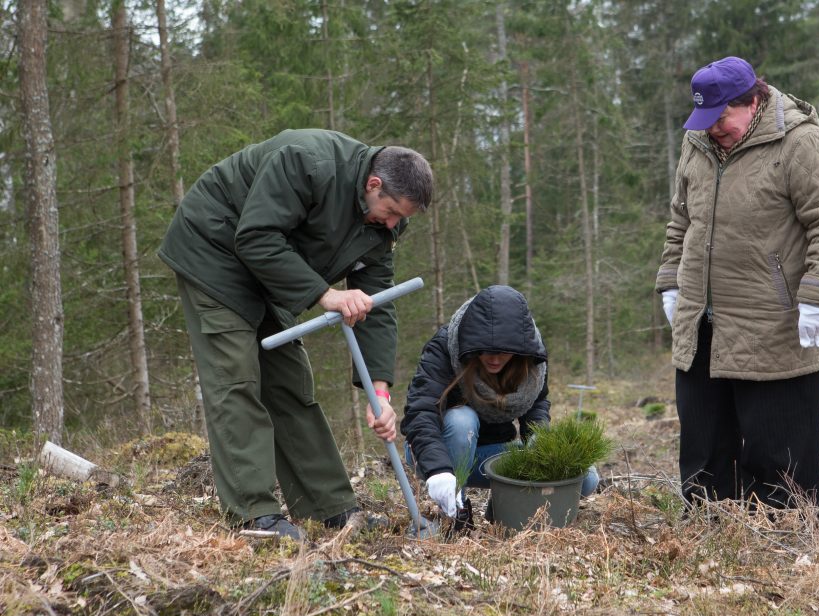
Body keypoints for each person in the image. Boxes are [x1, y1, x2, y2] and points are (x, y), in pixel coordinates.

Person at [159, 129, 433, 540]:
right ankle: (255, 514)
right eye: (391, 212)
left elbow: (378, 301)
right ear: (373, 184)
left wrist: (379, 394)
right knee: (237, 377)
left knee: (291, 384)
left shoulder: (384, 224)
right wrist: (326, 295)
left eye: (401, 219)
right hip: (214, 251)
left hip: (273, 273)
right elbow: (255, 236)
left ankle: (331, 509)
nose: (393, 224)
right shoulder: (307, 161)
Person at [655, 56, 819, 509]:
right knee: (704, 456)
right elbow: (680, 219)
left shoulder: (798, 141)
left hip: (773, 322)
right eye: (705, 119)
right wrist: (671, 279)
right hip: (702, 323)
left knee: (779, 459)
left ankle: (783, 545)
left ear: (753, 101)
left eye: (721, 118)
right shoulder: (696, 142)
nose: (712, 129)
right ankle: (713, 541)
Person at [401, 285, 599, 526]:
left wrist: (537, 443)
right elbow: (420, 411)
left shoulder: (532, 356)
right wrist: (438, 469)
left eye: (503, 352)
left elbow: (537, 405)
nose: (494, 359)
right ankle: (455, 514)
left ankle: (504, 510)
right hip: (438, 455)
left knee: (587, 477)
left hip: (488, 453)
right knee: (461, 420)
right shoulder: (445, 347)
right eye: (484, 350)